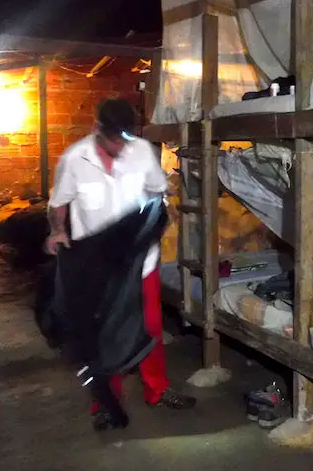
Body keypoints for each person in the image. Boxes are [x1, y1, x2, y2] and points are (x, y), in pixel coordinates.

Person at [45, 98, 196, 431]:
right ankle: (104, 403)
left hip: (140, 264)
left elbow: (158, 195)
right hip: (97, 270)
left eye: (124, 139)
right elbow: (58, 204)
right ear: (97, 128)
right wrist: (57, 231)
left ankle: (158, 389)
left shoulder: (142, 152)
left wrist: (152, 221)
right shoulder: (74, 159)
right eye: (113, 138)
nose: (119, 146)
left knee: (151, 329)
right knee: (103, 334)